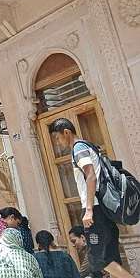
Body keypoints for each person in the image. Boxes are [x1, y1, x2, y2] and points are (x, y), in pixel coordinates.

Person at [50, 118, 133, 278]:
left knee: (97, 261)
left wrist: (88, 210)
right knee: (111, 258)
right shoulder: (89, 146)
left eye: (57, 138)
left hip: (95, 209)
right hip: (103, 209)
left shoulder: (78, 148)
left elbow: (91, 176)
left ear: (66, 132)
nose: (58, 143)